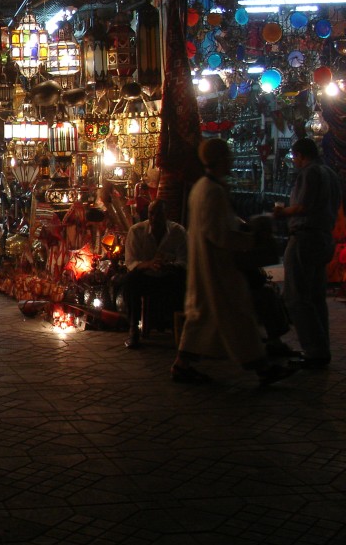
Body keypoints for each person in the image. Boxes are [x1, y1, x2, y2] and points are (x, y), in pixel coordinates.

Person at [172, 139, 295, 386]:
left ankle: (183, 365)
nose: (230, 161)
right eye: (227, 157)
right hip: (217, 267)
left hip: (209, 266)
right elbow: (220, 235)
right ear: (219, 160)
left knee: (203, 317)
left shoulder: (203, 188)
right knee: (237, 317)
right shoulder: (212, 191)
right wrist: (250, 240)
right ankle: (261, 367)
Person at [273, 136, 342, 369]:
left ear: (300, 156)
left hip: (305, 236)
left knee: (297, 296)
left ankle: (313, 350)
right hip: (323, 236)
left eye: (295, 158)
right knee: (315, 295)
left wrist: (282, 213)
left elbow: (303, 206)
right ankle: (321, 348)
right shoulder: (331, 174)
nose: (294, 162)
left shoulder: (309, 174)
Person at [122, 199, 188, 348]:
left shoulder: (178, 232)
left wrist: (169, 266)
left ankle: (182, 330)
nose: (155, 218)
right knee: (130, 280)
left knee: (185, 278)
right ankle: (133, 330)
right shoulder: (137, 231)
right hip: (146, 277)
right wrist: (149, 264)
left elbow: (184, 260)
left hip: (169, 277)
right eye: (152, 214)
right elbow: (131, 262)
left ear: (167, 215)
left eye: (159, 214)